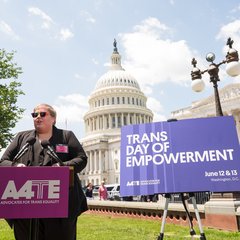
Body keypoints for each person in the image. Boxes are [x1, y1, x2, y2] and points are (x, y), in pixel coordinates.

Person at [0, 103, 88, 240]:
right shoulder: (22, 138)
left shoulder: (66, 137)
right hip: (26, 205)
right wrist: (16, 166)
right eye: (34, 115)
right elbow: (4, 161)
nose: (38, 117)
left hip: (60, 206)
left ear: (53, 119)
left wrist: (63, 166)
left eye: (42, 114)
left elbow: (81, 158)